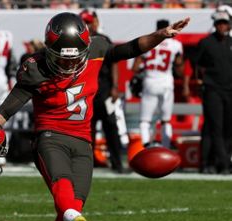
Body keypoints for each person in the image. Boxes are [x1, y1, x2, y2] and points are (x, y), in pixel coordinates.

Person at [0, 12, 189, 221]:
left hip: (83, 140)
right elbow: (8, 108)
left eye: (73, 58)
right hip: (50, 136)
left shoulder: (96, 48)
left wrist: (160, 35)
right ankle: (73, 220)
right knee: (63, 187)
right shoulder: (35, 69)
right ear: (49, 51)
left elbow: (129, 49)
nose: (68, 64)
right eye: (61, 58)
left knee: (75, 201)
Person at [81, 9, 124, 173]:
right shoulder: (77, 41)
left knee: (111, 127)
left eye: (89, 21)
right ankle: (86, 165)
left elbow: (114, 63)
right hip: (86, 91)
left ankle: (117, 162)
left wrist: (114, 86)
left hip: (104, 89)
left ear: (95, 22)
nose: (87, 25)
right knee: (86, 130)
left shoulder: (103, 40)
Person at [132, 19, 184, 149]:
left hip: (150, 82)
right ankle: (166, 148)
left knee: (145, 120)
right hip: (166, 83)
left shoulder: (148, 42)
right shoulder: (176, 45)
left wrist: (144, 68)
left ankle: (146, 146)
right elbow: (179, 68)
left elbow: (135, 67)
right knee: (166, 120)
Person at [192, 11, 232, 174]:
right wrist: (199, 80)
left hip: (230, 90)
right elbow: (195, 62)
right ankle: (223, 163)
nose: (222, 26)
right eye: (219, 23)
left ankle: (213, 161)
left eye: (225, 23)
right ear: (215, 25)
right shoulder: (206, 42)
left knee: (228, 128)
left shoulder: (231, 42)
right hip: (213, 89)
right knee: (215, 127)